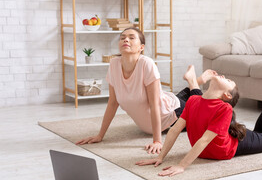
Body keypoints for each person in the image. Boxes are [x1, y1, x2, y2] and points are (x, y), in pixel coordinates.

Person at [135, 63, 262, 177]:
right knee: (259, 134)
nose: (224, 76)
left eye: (228, 81)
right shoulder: (193, 101)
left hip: (233, 146)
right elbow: (176, 129)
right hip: (216, 144)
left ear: (227, 95)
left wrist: (181, 165)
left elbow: (205, 140)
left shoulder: (225, 108)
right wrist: (160, 157)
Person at [76, 27, 217, 154]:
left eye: (131, 37)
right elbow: (112, 103)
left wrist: (157, 140)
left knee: (202, 109)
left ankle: (194, 82)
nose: (125, 39)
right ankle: (195, 81)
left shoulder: (146, 64)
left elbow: (154, 104)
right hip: (163, 103)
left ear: (141, 47)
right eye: (122, 37)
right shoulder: (114, 64)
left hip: (172, 114)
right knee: (170, 97)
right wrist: (100, 135)